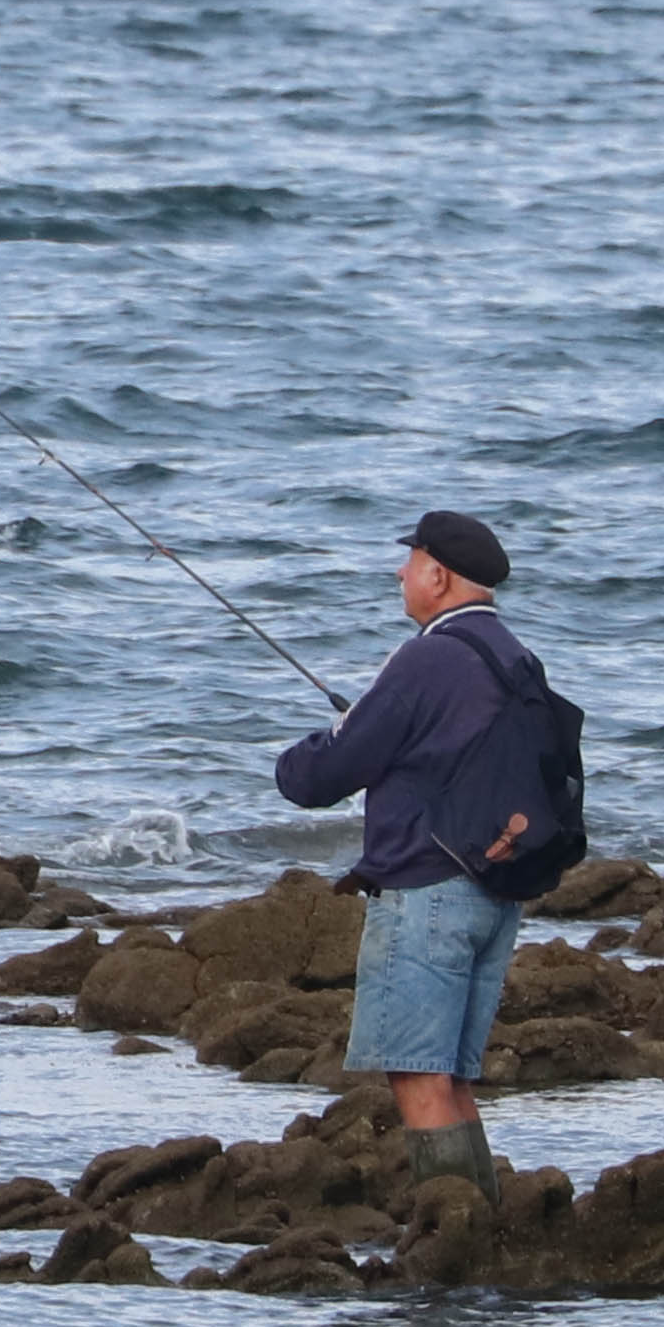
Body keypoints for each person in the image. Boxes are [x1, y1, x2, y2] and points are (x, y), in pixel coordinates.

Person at [269, 509, 551, 1199]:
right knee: (450, 1077)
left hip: (427, 892)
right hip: (494, 891)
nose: (400, 573)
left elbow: (325, 775)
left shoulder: (428, 657)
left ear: (439, 576)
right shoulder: (515, 657)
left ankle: (452, 1237)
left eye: (411, 561)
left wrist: (307, 752)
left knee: (418, 1076)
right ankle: (480, 1224)